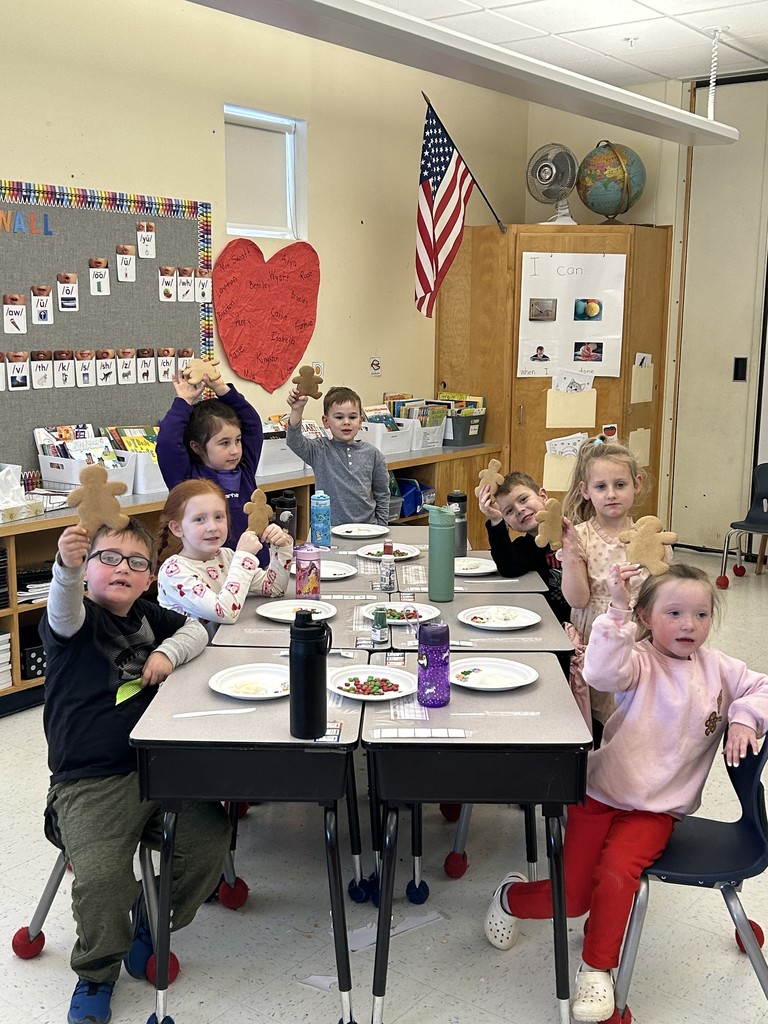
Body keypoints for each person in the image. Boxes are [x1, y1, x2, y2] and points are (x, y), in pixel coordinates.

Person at [483, 562, 768, 1022]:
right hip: (600, 795)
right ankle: (509, 898)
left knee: (618, 873)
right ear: (647, 618)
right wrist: (616, 609)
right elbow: (600, 671)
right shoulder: (636, 659)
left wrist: (743, 717)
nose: (688, 625)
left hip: (654, 811)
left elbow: (763, 687)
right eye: (674, 613)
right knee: (574, 899)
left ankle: (597, 969)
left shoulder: (719, 668)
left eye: (700, 615)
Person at [39, 517, 231, 1024]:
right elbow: (61, 604)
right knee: (102, 881)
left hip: (159, 767)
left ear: (150, 579)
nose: (122, 569)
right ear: (88, 570)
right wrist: (67, 565)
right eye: (108, 559)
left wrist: (168, 651)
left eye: (137, 563)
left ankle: (150, 926)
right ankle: (96, 973)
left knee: (211, 839)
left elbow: (196, 628)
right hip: (90, 782)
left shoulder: (150, 615)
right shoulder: (74, 621)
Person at [559, 434, 673, 728]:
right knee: (595, 717)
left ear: (636, 484)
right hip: (596, 637)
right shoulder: (580, 536)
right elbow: (577, 600)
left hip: (639, 638)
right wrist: (570, 552)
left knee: (633, 714)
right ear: (585, 491)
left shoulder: (651, 540)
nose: (611, 493)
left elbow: (664, 597)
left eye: (620, 485)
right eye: (601, 486)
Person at [156, 479, 293, 630]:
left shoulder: (226, 556)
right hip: (200, 653)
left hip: (228, 644)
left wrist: (281, 547)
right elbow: (225, 613)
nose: (212, 527)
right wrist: (244, 557)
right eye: (199, 519)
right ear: (177, 528)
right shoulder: (174, 572)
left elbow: (274, 588)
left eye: (219, 517)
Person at [157, 369, 263, 551]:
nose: (235, 450)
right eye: (224, 443)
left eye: (237, 441)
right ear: (197, 447)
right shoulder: (187, 481)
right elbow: (167, 442)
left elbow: (253, 424)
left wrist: (223, 390)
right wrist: (184, 401)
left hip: (253, 566)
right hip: (208, 571)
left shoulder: (245, 468)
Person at [286, 384, 390, 527]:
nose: (346, 422)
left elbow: (382, 494)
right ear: (326, 421)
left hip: (367, 529)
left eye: (352, 417)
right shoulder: (319, 450)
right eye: (339, 417)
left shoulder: (373, 454)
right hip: (328, 530)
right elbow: (294, 441)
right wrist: (297, 409)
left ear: (360, 421)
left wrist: (382, 526)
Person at [478, 470, 569, 624]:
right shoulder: (524, 547)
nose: (519, 510)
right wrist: (495, 519)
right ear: (507, 523)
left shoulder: (574, 531)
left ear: (543, 496)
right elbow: (509, 567)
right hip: (550, 623)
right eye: (509, 511)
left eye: (523, 499)